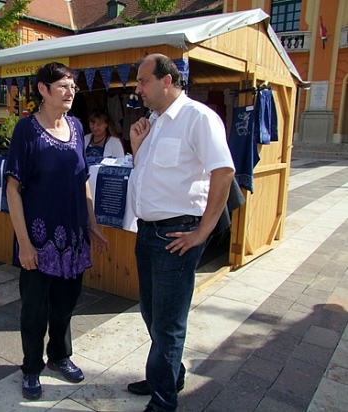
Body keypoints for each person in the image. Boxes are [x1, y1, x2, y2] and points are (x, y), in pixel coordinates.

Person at [127, 54, 235, 412]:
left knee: (168, 322)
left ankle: (163, 401)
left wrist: (203, 231)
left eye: (143, 81)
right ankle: (168, 374)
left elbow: (224, 172)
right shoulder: (154, 123)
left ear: (167, 80)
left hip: (176, 235)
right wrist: (136, 147)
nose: (138, 88)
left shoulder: (198, 118)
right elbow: (148, 175)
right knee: (152, 314)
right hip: (147, 232)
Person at [4, 62, 109, 400]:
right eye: (63, 85)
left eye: (73, 86)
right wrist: (24, 244)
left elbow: (83, 179)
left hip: (74, 238)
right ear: (43, 89)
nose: (70, 92)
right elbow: (12, 189)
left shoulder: (77, 126)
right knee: (35, 309)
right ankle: (31, 367)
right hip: (39, 239)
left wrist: (92, 224)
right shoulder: (27, 130)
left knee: (65, 304)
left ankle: (60, 356)